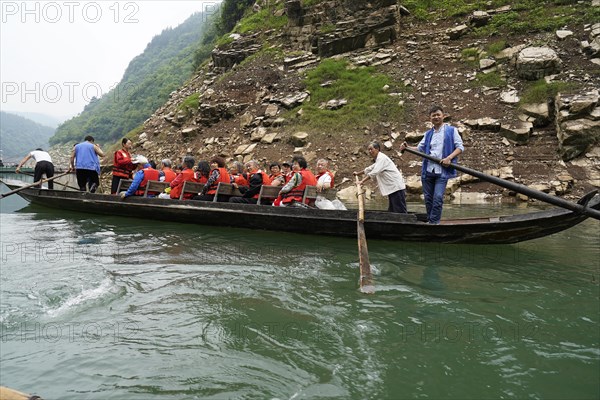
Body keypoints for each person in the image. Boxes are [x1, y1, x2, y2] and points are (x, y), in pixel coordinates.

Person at [400, 105, 464, 224]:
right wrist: (407, 148)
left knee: (438, 198)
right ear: (430, 118)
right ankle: (431, 221)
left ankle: (434, 223)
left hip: (442, 171)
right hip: (428, 170)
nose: (436, 117)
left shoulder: (451, 130)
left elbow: (460, 147)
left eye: (438, 115)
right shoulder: (428, 133)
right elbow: (420, 149)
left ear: (443, 116)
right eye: (433, 115)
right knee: (428, 199)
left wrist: (449, 158)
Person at [354, 141, 407, 213]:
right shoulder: (379, 159)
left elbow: (374, 172)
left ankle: (404, 223)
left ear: (377, 149)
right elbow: (370, 168)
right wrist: (358, 173)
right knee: (393, 210)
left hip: (396, 187)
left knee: (399, 210)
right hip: (393, 188)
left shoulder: (382, 158)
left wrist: (362, 181)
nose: (370, 151)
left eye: (371, 149)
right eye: (368, 150)